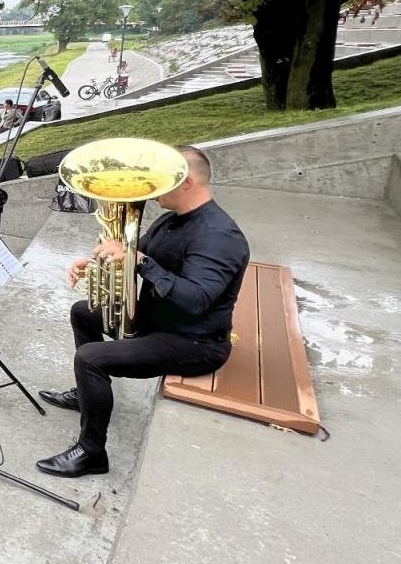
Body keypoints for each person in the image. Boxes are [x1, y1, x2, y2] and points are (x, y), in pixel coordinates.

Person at [36, 146, 250, 477]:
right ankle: (86, 394)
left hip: (195, 342)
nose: (152, 190)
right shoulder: (171, 221)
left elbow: (196, 298)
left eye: (163, 182)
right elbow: (134, 253)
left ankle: (92, 453)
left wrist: (142, 262)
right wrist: (95, 263)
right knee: (83, 311)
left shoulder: (219, 236)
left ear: (188, 182)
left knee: (91, 358)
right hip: (158, 322)